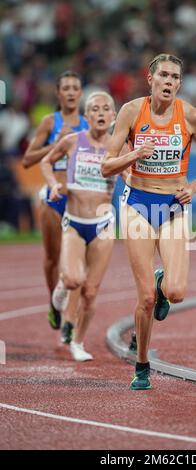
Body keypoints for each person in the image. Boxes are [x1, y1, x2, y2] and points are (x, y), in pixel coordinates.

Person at [102, 53, 196, 390]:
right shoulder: (130, 112)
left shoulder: (192, 116)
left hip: (173, 206)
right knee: (145, 300)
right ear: (150, 79)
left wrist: (193, 186)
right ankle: (142, 365)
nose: (170, 82)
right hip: (138, 204)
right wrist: (134, 155)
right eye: (164, 76)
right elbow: (106, 166)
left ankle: (162, 282)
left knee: (176, 292)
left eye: (175, 77)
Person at [41, 91, 125, 361]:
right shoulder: (72, 141)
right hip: (75, 223)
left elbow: (133, 178)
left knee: (90, 292)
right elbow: (45, 162)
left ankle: (78, 341)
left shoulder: (119, 147)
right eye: (94, 109)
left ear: (114, 116)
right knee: (73, 279)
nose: (100, 113)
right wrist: (54, 185)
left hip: (102, 225)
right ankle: (59, 295)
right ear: (86, 116)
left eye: (106, 109)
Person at [22, 71, 88, 340]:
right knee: (52, 258)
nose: (71, 92)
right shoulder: (50, 122)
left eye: (75, 88)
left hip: (79, 200)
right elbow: (27, 159)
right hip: (53, 198)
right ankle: (54, 302)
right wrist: (56, 145)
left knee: (77, 266)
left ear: (80, 93)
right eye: (66, 88)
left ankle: (70, 324)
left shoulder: (88, 123)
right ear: (58, 94)